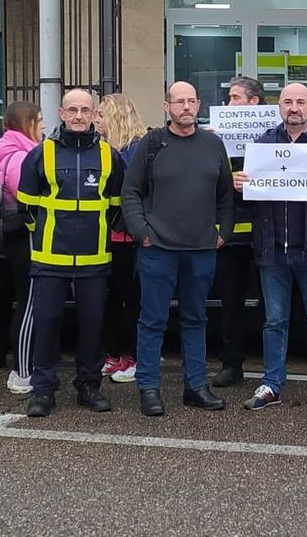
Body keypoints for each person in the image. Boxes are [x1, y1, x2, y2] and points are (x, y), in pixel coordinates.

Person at [121, 81, 235, 417]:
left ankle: (196, 386)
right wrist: (142, 232)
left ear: (198, 105)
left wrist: (224, 233)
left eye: (191, 101)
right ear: (166, 106)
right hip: (158, 247)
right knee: (152, 320)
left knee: (195, 318)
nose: (186, 107)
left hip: (201, 249)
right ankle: (149, 388)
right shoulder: (151, 144)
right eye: (179, 101)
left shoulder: (213, 145)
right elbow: (131, 192)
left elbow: (226, 195)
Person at [235, 82, 307, 414]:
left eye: (301, 101)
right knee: (274, 321)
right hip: (272, 248)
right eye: (288, 102)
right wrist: (240, 185)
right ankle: (272, 383)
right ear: (279, 107)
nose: (294, 107)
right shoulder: (262, 145)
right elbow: (248, 200)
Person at [15, 88, 124, 418]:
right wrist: (49, 236)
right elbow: (26, 206)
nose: (79, 116)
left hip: (94, 259)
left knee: (92, 325)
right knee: (47, 324)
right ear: (61, 114)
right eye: (72, 110)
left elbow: (117, 207)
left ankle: (89, 386)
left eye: (85, 110)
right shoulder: (40, 154)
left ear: (94, 115)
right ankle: (43, 390)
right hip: (50, 259)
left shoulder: (110, 156)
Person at [0, 101, 43, 395]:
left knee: (17, 299)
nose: (43, 127)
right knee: (28, 300)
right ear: (28, 123)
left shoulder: (2, 151)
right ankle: (24, 368)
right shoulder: (22, 157)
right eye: (40, 120)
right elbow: (29, 200)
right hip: (24, 237)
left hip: (6, 238)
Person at [212, 75, 265, 389]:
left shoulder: (272, 135)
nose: (228, 103)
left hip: (266, 234)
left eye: (234, 97)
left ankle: (275, 370)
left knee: (274, 306)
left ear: (253, 102)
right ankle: (231, 365)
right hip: (232, 235)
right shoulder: (219, 137)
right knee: (230, 304)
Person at [97, 92, 147, 385]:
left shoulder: (135, 149)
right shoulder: (104, 148)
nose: (95, 120)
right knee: (114, 299)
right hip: (111, 234)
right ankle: (115, 354)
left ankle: (134, 357)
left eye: (101, 114)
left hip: (128, 236)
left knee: (132, 299)